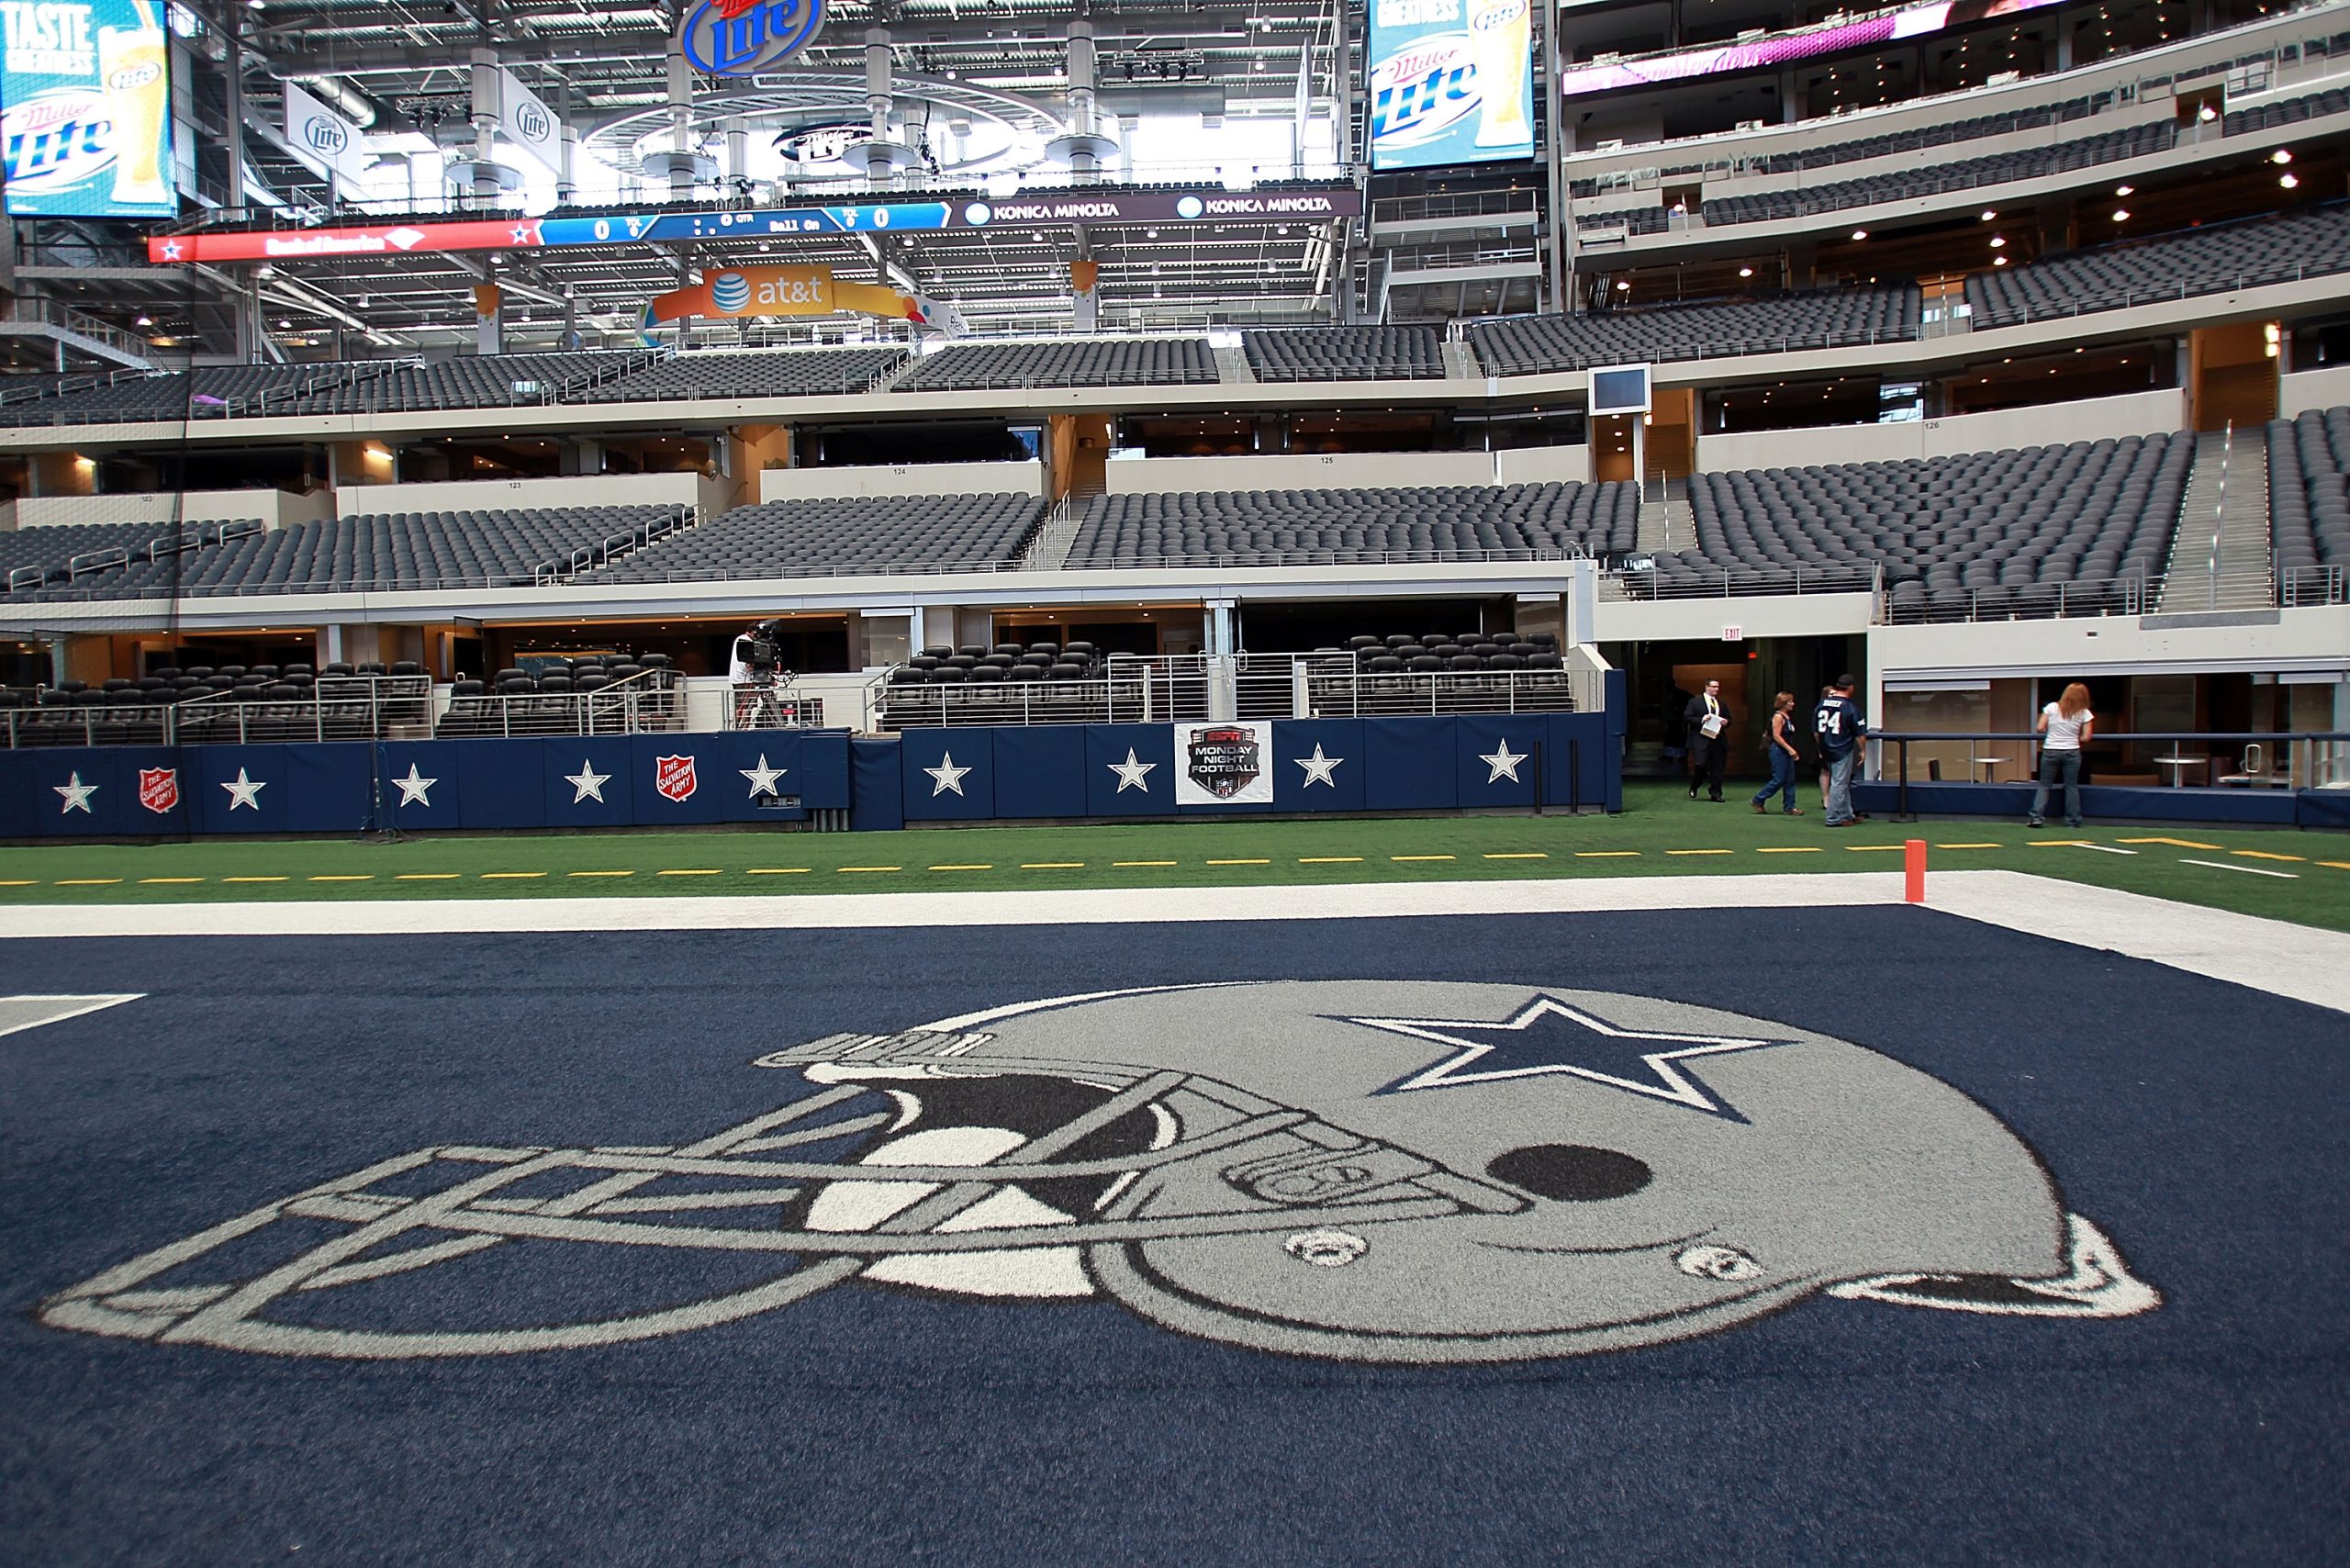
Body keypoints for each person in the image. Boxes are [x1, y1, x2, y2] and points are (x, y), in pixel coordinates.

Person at [2029, 681, 2095, 829]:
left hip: (2051, 749)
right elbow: (2086, 737)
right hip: (2072, 751)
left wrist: (2052, 734)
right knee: (2071, 786)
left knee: (2045, 785)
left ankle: (2036, 817)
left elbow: (2040, 727)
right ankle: (2072, 820)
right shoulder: (2084, 712)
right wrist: (2073, 737)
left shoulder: (2052, 707)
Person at [1814, 674, 1868, 827]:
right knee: (1839, 783)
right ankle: (1833, 817)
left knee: (1840, 781)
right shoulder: (1849, 707)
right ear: (1850, 688)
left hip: (1826, 746)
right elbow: (1859, 732)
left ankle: (1846, 814)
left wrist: (1820, 747)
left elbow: (1816, 731)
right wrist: (1863, 750)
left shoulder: (1822, 704)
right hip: (1841, 748)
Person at [1751, 691, 1803, 814]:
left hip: (1786, 750)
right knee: (1779, 779)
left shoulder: (1787, 717)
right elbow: (1777, 736)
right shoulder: (1778, 717)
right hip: (1778, 750)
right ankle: (1758, 798)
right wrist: (1791, 750)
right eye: (1790, 702)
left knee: (1790, 779)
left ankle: (1789, 806)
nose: (1793, 704)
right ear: (1783, 704)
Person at [1684, 678, 1731, 801]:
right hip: (1701, 738)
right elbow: (1687, 717)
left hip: (1717, 739)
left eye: (1718, 687)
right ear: (1706, 687)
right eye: (1714, 686)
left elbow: (1729, 719)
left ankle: (1716, 793)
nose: (1716, 689)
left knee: (1717, 767)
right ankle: (1695, 784)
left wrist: (1726, 722)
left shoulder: (1721, 704)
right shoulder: (1695, 702)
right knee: (1701, 765)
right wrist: (1701, 719)